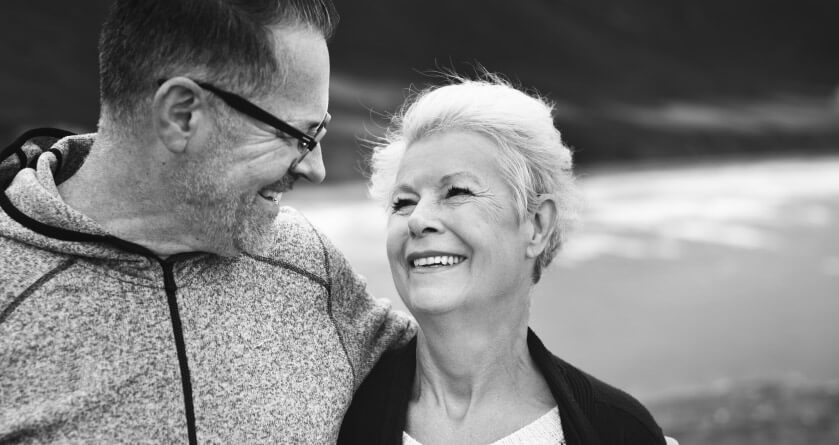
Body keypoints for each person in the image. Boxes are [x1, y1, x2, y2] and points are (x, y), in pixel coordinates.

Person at [0, 1, 413, 443]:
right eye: (301, 136)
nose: (316, 169)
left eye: (322, 132)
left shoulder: (309, 261)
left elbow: (458, 376)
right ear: (182, 114)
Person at [338, 76, 675, 444]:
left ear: (536, 225)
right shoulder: (336, 415)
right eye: (403, 202)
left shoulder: (620, 431)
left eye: (456, 192)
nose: (418, 219)